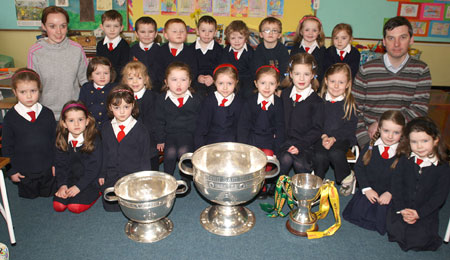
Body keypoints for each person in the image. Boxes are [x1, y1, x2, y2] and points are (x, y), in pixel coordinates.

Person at [352, 16, 431, 147]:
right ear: (384, 41)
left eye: (403, 37)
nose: (396, 44)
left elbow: (419, 110)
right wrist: (365, 143)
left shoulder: (421, 70)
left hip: (403, 142)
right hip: (369, 139)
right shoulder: (367, 70)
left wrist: (384, 123)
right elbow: (354, 110)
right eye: (391, 38)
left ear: (411, 40)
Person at [386, 117, 450, 251]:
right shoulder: (405, 159)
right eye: (414, 142)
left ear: (436, 140)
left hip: (424, 210)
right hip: (403, 205)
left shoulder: (442, 167)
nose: (419, 146)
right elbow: (396, 185)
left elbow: (439, 197)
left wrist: (419, 213)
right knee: (394, 231)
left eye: (425, 141)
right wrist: (402, 208)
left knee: (420, 240)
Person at [343, 110, 405, 234]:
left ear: (402, 133)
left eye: (396, 132)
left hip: (388, 194)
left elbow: (404, 178)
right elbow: (359, 168)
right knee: (357, 214)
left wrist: (390, 193)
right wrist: (367, 189)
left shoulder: (403, 154)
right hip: (370, 189)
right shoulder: (370, 147)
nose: (390, 136)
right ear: (379, 129)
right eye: (386, 131)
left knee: (386, 221)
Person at [2, 68, 56, 198]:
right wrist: (11, 171)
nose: (29, 96)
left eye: (33, 91)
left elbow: (55, 141)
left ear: (39, 90)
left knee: (48, 196)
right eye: (23, 92)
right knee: (29, 198)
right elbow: (6, 146)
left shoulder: (47, 114)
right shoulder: (10, 118)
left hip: (47, 169)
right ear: (15, 92)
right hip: (24, 171)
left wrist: (56, 163)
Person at [27, 6, 88, 120]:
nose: (58, 31)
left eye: (63, 26)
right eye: (52, 26)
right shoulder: (35, 52)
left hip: (73, 114)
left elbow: (86, 81)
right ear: (44, 26)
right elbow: (31, 86)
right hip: (45, 115)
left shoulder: (77, 49)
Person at [99, 85, 152, 211]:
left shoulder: (141, 130)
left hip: (133, 175)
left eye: (126, 107)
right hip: (113, 174)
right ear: (110, 108)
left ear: (133, 105)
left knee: (134, 205)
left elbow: (145, 158)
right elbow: (104, 153)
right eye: (117, 107)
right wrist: (102, 174)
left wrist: (145, 179)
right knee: (110, 207)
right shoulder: (106, 128)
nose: (122, 112)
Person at [238, 65, 285, 198]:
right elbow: (243, 126)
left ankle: (262, 182)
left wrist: (277, 150)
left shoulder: (278, 103)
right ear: (256, 84)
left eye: (271, 83)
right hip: (252, 139)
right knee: (253, 160)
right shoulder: (250, 102)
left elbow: (280, 127)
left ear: (277, 85)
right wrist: (243, 147)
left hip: (269, 139)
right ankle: (255, 184)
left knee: (268, 157)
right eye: (263, 83)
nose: (267, 87)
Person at [154, 62, 202, 185]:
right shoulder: (161, 99)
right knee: (169, 153)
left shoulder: (196, 99)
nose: (179, 84)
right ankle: (167, 179)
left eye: (183, 79)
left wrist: (199, 139)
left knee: (183, 152)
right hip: (170, 134)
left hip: (189, 134)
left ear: (190, 82)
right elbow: (158, 121)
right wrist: (160, 139)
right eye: (174, 80)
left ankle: (186, 181)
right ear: (166, 82)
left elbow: (200, 120)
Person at [313, 63, 358, 191]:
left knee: (335, 153)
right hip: (320, 136)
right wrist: (323, 136)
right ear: (326, 81)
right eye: (333, 81)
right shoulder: (318, 100)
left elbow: (350, 128)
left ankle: (347, 177)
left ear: (348, 84)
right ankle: (318, 181)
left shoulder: (349, 104)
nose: (336, 86)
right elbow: (314, 122)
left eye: (341, 82)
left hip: (341, 139)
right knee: (319, 156)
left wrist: (334, 138)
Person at [279, 53, 324, 175]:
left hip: (306, 144)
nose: (302, 79)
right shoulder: (284, 95)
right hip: (285, 141)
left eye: (306, 74)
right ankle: (279, 188)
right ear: (291, 74)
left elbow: (317, 129)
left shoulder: (316, 101)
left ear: (313, 75)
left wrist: (299, 145)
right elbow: (279, 120)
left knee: (300, 164)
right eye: (297, 74)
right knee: (285, 159)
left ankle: (302, 190)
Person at [53, 101, 101, 214]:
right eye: (71, 120)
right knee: (58, 205)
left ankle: (97, 192)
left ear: (87, 121)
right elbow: (61, 165)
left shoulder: (94, 139)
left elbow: (94, 169)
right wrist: (62, 185)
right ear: (64, 123)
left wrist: (78, 187)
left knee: (75, 207)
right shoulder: (61, 139)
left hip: (90, 181)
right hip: (71, 179)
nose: (76, 124)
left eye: (80, 119)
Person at [121, 60, 159, 171]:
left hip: (148, 136)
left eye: (139, 78)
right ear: (124, 81)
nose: (135, 82)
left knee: (150, 161)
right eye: (131, 78)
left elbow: (152, 122)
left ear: (146, 80)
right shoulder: (123, 97)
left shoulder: (152, 97)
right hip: (128, 134)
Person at [195, 64, 243, 148]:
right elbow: (201, 127)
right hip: (211, 142)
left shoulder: (239, 102)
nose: (225, 87)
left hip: (232, 143)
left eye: (229, 83)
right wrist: (200, 148)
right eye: (221, 83)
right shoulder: (209, 101)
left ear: (236, 82)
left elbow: (241, 128)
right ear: (214, 82)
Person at [157, 18, 198, 93]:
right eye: (174, 31)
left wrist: (186, 84)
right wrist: (168, 84)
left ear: (186, 34)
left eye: (182, 31)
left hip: (186, 87)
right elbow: (158, 71)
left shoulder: (191, 51)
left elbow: (193, 71)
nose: (179, 33)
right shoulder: (160, 51)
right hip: (164, 87)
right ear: (166, 35)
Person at [79, 56, 116, 129]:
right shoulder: (86, 88)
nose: (102, 76)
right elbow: (81, 107)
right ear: (91, 76)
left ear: (111, 74)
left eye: (106, 73)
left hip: (109, 127)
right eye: (98, 73)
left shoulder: (115, 89)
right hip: (90, 127)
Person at [221, 20, 254, 99]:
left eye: (240, 37)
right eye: (233, 38)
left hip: (246, 80)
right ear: (228, 39)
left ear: (246, 38)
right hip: (230, 79)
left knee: (248, 93)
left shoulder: (250, 52)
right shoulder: (225, 51)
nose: (236, 41)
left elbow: (253, 71)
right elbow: (222, 68)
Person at [191, 15, 224, 96]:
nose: (207, 34)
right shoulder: (190, 49)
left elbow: (221, 67)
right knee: (196, 94)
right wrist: (197, 77)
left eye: (210, 31)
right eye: (203, 30)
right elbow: (189, 67)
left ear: (215, 33)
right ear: (197, 31)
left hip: (214, 81)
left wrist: (213, 78)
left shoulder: (219, 50)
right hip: (195, 81)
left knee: (215, 94)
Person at [290, 15, 326, 84]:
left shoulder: (322, 50)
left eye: (314, 30)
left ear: (319, 32)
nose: (310, 33)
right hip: (298, 83)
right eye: (307, 30)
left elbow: (322, 70)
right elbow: (291, 67)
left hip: (316, 85)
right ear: (301, 31)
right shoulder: (295, 48)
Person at [96, 10, 130, 83]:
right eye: (108, 26)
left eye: (116, 26)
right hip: (103, 81)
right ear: (102, 27)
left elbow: (124, 68)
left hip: (119, 82)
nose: (112, 29)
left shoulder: (124, 46)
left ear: (121, 28)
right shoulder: (100, 45)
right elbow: (99, 64)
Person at [252, 16, 289, 82]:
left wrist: (279, 86)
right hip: (263, 81)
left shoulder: (282, 50)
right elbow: (258, 70)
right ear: (261, 34)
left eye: (274, 30)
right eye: (267, 30)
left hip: (279, 81)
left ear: (279, 35)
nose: (270, 33)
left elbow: (284, 70)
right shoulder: (259, 50)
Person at [129, 16, 161, 90]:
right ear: (136, 34)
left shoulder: (160, 51)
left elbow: (160, 72)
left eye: (150, 32)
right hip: (136, 86)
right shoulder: (132, 50)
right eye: (143, 32)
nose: (147, 35)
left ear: (156, 34)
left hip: (156, 88)